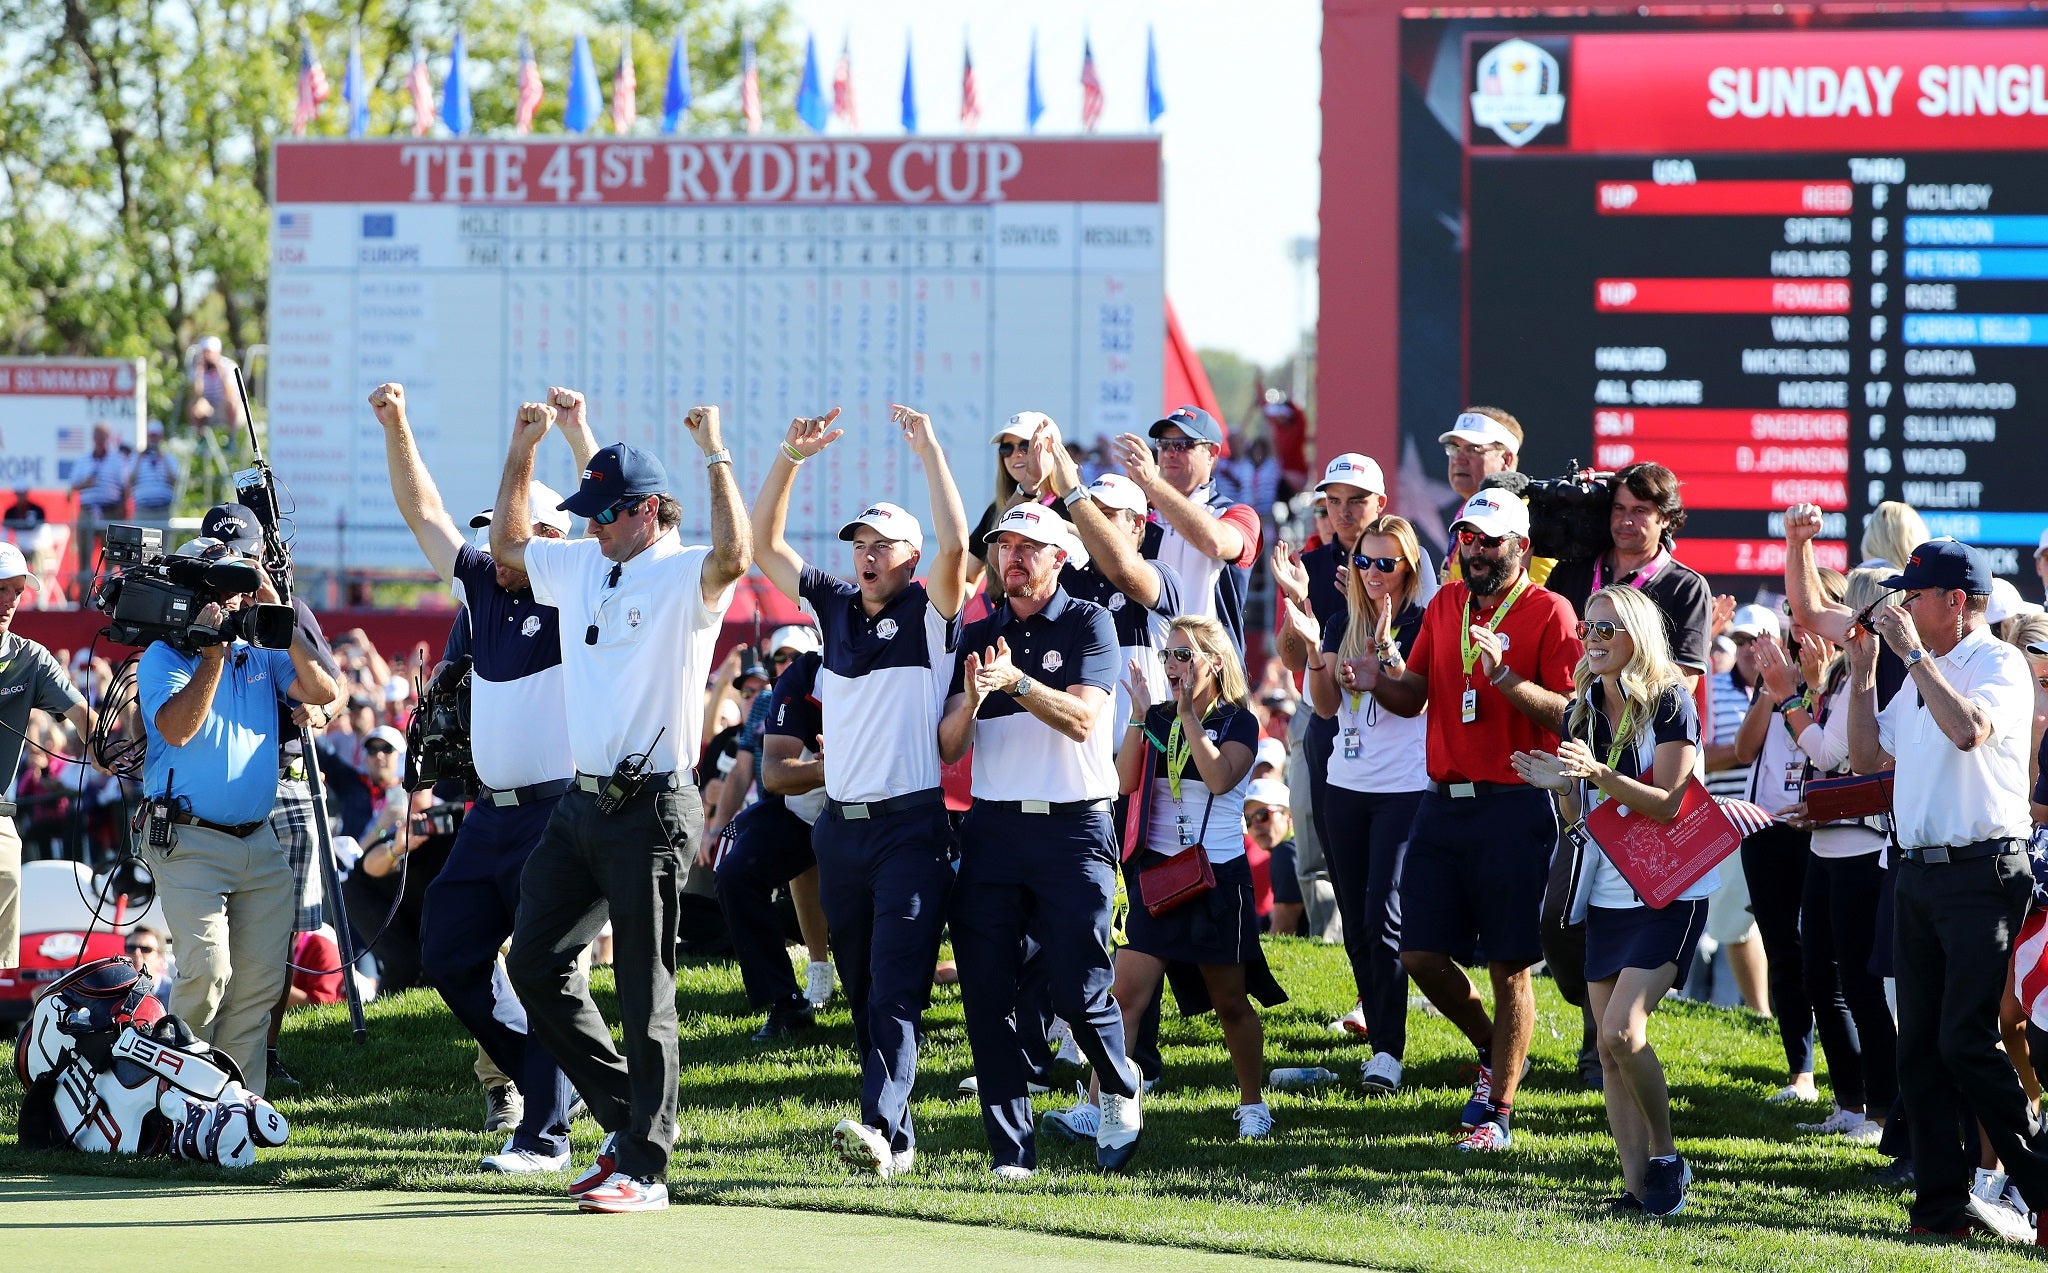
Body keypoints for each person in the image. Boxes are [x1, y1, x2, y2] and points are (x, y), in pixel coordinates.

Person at [493, 401, 748, 1214]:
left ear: (646, 512)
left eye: (604, 513)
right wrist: (522, 450)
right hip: (583, 804)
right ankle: (623, 1122)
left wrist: (715, 454)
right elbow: (505, 544)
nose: (590, 527)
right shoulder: (585, 562)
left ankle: (649, 1164)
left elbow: (737, 554)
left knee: (646, 989)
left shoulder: (683, 571)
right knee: (532, 961)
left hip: (654, 807)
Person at [371, 380, 588, 1175]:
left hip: (557, 814)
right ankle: (552, 1074)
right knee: (452, 949)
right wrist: (398, 425)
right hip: (491, 816)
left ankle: (547, 1129)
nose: (501, 548)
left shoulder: (580, 594)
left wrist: (539, 444)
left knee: (541, 967)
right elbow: (422, 512)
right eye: (500, 534)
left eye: (520, 535)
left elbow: (609, 527)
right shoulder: (482, 590)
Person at [750, 403, 968, 1181]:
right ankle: (898, 1137)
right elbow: (762, 545)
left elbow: (959, 544)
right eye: (860, 545)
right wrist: (788, 456)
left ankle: (880, 1124)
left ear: (910, 557)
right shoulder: (835, 606)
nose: (867, 556)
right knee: (865, 986)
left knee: (897, 984)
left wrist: (932, 449)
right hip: (840, 829)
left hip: (911, 824)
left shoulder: (933, 611)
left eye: (882, 546)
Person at [1363, 490, 1582, 1151]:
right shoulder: (1446, 602)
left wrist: (1507, 678)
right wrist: (1376, 677)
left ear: (1520, 545)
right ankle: (1495, 1047)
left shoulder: (1550, 610)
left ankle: (1499, 1110)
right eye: (1467, 538)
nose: (1476, 550)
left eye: (1489, 540)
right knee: (1420, 953)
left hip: (1517, 805)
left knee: (1510, 965)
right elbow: (1416, 696)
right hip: (1442, 801)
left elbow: (1572, 715)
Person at [1845, 538, 2048, 1241]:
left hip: (1981, 871)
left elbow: (1967, 730)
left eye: (1916, 595)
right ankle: (1940, 1210)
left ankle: (2042, 1181)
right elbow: (1870, 756)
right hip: (1920, 873)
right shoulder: (1920, 666)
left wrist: (1911, 656)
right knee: (1920, 1050)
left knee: (1966, 1038)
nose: (1903, 605)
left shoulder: (1996, 662)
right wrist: (1865, 673)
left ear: (1955, 602)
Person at [937, 503, 1147, 1177]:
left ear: (1061, 558)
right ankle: (1011, 1150)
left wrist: (1018, 683)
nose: (1013, 557)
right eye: (1005, 546)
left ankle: (1118, 1083)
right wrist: (972, 696)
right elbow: (948, 745)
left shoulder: (1091, 620)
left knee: (1079, 988)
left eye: (1031, 547)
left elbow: (1085, 720)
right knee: (986, 990)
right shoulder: (980, 632)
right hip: (994, 825)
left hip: (1074, 825)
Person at [1511, 585, 1712, 1218]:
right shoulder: (1584, 706)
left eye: (1606, 631)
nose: (1592, 642)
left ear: (1637, 636)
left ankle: (1666, 1154)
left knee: (1624, 1032)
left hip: (1667, 885)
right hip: (1606, 886)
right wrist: (1564, 785)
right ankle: (1635, 1191)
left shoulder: (1671, 699)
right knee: (1605, 1044)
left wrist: (1595, 773)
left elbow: (1670, 802)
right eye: (1589, 631)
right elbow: (1581, 818)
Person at [136, 534, 341, 1094]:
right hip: (188, 838)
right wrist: (212, 658)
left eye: (239, 588)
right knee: (206, 974)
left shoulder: (262, 649)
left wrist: (275, 610)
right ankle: (167, 1093)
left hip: (259, 841)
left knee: (257, 984)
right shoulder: (162, 656)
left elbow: (323, 690)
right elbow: (177, 730)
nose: (233, 600)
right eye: (224, 589)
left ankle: (232, 1105)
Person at [1537, 462, 1712, 1088]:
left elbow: (1675, 699)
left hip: (1644, 788)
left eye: (1642, 510)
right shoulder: (1576, 571)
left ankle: (1606, 1054)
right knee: (1562, 920)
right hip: (1588, 766)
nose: (1627, 521)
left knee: (1622, 997)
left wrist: (1599, 763)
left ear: (1665, 519)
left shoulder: (1683, 588)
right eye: (1618, 509)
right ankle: (1601, 1040)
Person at [1101, 615, 1278, 1137]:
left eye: (1184, 656)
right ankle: (1104, 1106)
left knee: (1229, 1002)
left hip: (1216, 880)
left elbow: (1221, 778)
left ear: (1214, 663)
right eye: (1168, 656)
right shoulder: (1155, 717)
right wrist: (1139, 716)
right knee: (1124, 996)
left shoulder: (1238, 721)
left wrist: (1189, 720)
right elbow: (1123, 780)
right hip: (1158, 877)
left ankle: (1252, 1102)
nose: (1172, 666)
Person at [1294, 514, 1431, 1094]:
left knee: (1383, 917)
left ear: (1409, 567)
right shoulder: (1337, 618)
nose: (1373, 573)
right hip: (1344, 785)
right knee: (1354, 922)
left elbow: (1416, 702)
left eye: (1386, 562)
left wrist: (1383, 665)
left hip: (1402, 790)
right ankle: (1379, 1032)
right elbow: (1325, 708)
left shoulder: (1423, 621)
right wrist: (1315, 652)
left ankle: (1388, 1052)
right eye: (1363, 561)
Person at [1756, 572, 1893, 1146]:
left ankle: (1880, 1110)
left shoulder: (1874, 675)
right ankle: (1851, 1101)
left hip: (1862, 848)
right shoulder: (1839, 675)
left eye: (1838, 607)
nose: (1812, 620)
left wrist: (1787, 696)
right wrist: (1805, 692)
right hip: (1825, 842)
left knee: (1859, 987)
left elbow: (1833, 753)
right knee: (1820, 976)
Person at [1727, 600, 1823, 1105]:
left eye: (1804, 613)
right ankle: (1800, 1072)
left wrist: (1808, 685)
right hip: (1766, 828)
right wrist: (1772, 689)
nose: (1796, 626)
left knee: (1827, 957)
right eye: (1792, 617)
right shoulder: (1776, 676)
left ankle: (1851, 1084)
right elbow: (1744, 750)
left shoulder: (1839, 675)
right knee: (1783, 950)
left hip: (1825, 831)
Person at [716, 646, 831, 1041]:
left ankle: (889, 998)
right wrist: (824, 769)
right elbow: (771, 774)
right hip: (802, 809)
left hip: (874, 816)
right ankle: (785, 998)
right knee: (735, 874)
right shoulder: (800, 677)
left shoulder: (891, 659)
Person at [1037, 436, 1184, 725]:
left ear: (1138, 523)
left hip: (1147, 750)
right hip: (1082, 753)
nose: (1094, 525)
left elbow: (1122, 569)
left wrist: (1073, 493)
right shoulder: (1069, 578)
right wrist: (1028, 486)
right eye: (1091, 517)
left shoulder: (1162, 576)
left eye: (1106, 516)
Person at [0, 541, 99, 970]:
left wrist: (103, 750)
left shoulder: (31, 659)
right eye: (1, 589)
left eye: (17, 591)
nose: (9, 601)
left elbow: (83, 714)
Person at [1113, 407, 1261, 655]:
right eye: (1164, 444)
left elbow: (1215, 542)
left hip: (1213, 670)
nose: (1170, 453)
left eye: (1183, 445)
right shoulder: (1139, 513)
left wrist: (1151, 483)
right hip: (1150, 668)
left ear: (1212, 454)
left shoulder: (1236, 513)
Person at [1436, 408, 1553, 587]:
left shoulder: (1529, 518)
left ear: (1506, 459)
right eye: (1454, 448)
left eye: (1473, 449)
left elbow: (1537, 595)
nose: (1459, 459)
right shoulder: (1466, 512)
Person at [965, 412, 1073, 588]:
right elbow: (968, 577)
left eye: (1026, 446)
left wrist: (1063, 528)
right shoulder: (997, 509)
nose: (1015, 454)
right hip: (1006, 613)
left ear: (1053, 449)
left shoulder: (1075, 506)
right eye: (1006, 449)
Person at [69, 422, 128, 597]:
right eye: (98, 436)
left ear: (108, 438)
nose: (100, 440)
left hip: (109, 511)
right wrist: (86, 482)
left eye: (103, 436)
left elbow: (124, 488)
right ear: (93, 438)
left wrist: (123, 515)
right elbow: (73, 485)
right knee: (84, 556)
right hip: (87, 511)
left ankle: (106, 596)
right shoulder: (83, 460)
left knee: (111, 557)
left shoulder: (117, 460)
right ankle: (83, 597)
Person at [1246, 778, 1304, 936]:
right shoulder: (1296, 847)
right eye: (1248, 820)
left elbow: (1284, 928)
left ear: (1289, 815)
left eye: (1262, 815)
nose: (1255, 826)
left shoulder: (1285, 853)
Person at [127, 422, 180, 538]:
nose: (153, 439)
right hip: (142, 511)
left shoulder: (169, 458)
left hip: (162, 511)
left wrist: (162, 458)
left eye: (155, 436)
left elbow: (174, 480)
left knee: (164, 548)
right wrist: (140, 458)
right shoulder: (136, 457)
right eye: (151, 436)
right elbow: (130, 480)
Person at [186, 336, 245, 433]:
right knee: (194, 405)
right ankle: (200, 438)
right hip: (210, 407)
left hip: (226, 406)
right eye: (205, 353)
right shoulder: (198, 369)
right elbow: (196, 394)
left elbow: (229, 393)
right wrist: (199, 375)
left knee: (231, 402)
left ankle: (232, 437)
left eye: (209, 353)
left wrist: (219, 370)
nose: (207, 356)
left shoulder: (228, 366)